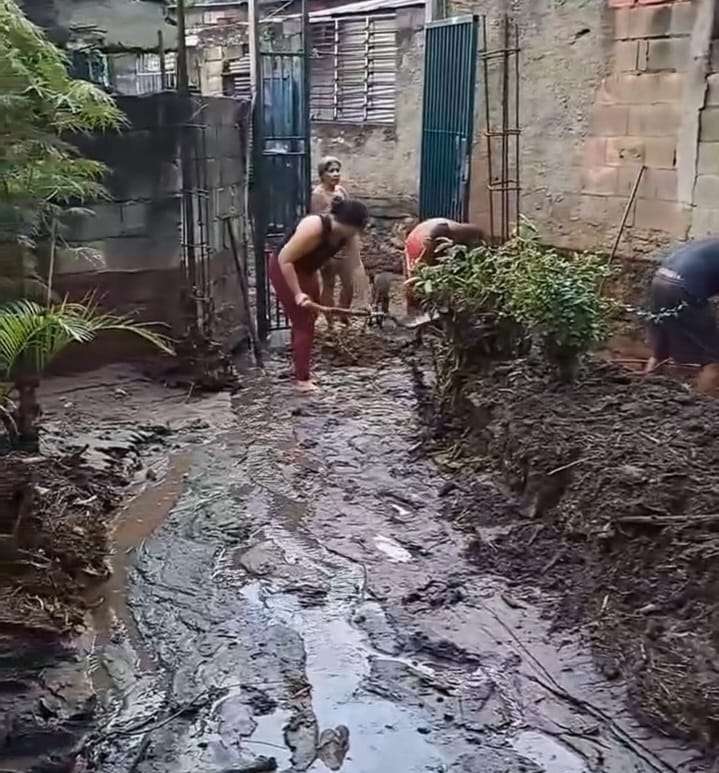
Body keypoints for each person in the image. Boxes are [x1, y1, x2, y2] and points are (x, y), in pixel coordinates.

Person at [269, 198, 369, 392]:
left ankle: (297, 366)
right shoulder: (314, 227)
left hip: (307, 270)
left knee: (309, 318)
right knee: (303, 322)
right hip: (285, 268)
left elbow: (356, 266)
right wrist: (298, 294)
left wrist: (365, 299)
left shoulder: (348, 236)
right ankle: (302, 381)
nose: (354, 235)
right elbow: (285, 259)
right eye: (354, 230)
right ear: (347, 224)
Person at [310, 156, 369, 327]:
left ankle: (344, 314)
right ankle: (329, 320)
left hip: (344, 245)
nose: (336, 174)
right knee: (329, 284)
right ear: (322, 175)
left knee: (348, 284)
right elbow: (317, 221)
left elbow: (349, 213)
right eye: (331, 171)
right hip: (328, 246)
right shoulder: (317, 195)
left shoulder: (341, 191)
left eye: (337, 170)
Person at [645, 238, 719, 374]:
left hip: (660, 279)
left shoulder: (711, 242)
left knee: (660, 351)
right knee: (714, 358)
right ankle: (702, 395)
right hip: (683, 287)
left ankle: (642, 387)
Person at [403, 218, 485, 313]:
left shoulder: (471, 236)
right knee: (415, 281)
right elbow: (420, 265)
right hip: (420, 238)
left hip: (447, 237)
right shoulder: (421, 243)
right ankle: (413, 308)